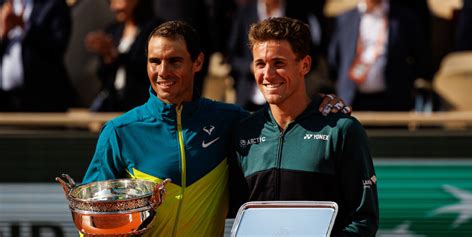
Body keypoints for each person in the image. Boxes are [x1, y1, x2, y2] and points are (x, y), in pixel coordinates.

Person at [82, 20, 350, 236]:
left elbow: (283, 117)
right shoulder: (119, 131)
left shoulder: (231, 119)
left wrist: (321, 107)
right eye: (155, 61)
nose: (162, 71)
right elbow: (88, 215)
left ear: (197, 63)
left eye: (175, 61)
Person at [233, 17, 379, 236]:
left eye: (279, 63)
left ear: (305, 65)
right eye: (260, 64)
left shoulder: (341, 130)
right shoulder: (243, 132)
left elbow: (363, 219)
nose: (268, 75)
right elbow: (233, 218)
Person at [328, 0, 433, 111]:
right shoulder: (345, 18)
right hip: (352, 101)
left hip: (392, 103)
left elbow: (421, 60)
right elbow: (334, 59)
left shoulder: (404, 19)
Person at [85, 0, 162, 111]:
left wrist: (116, 55)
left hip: (143, 104)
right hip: (115, 104)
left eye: (118, 1)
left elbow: (149, 67)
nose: (114, 7)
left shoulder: (155, 29)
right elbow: (102, 74)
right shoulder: (113, 30)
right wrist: (107, 54)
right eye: (111, 2)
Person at [0, 0, 75, 111]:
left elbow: (57, 46)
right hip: (6, 101)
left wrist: (24, 26)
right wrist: (3, 33)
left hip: (42, 100)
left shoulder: (53, 4)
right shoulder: (3, 5)